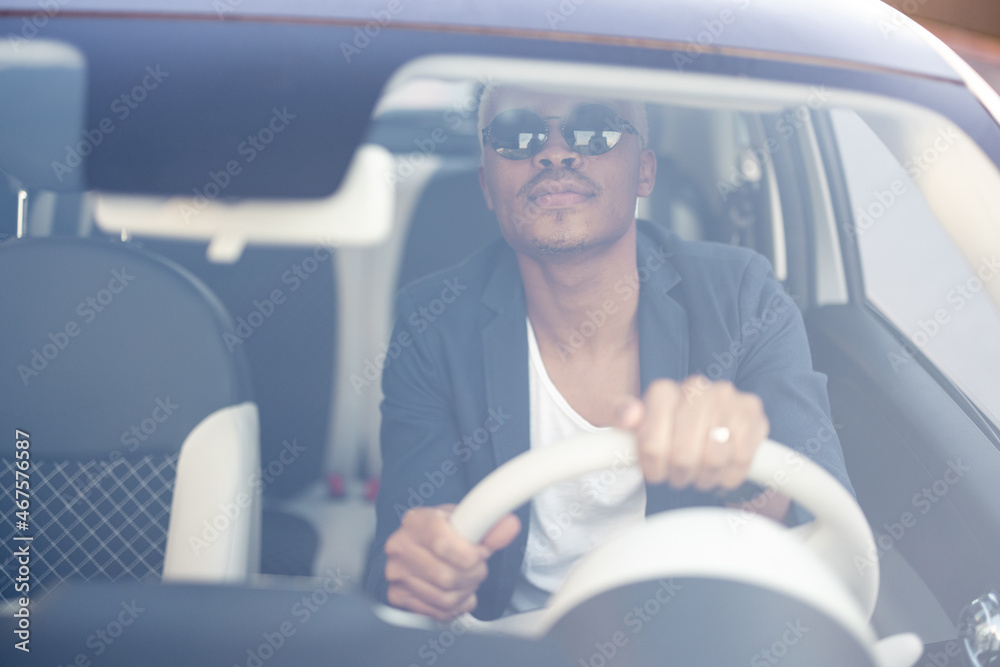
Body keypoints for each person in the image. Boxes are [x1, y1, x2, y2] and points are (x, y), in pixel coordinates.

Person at [364, 84, 854, 622]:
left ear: (645, 171)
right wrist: (431, 570)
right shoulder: (431, 322)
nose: (554, 152)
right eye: (517, 133)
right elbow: (408, 549)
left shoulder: (741, 295)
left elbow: (826, 523)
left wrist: (745, 468)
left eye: (594, 128)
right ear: (487, 183)